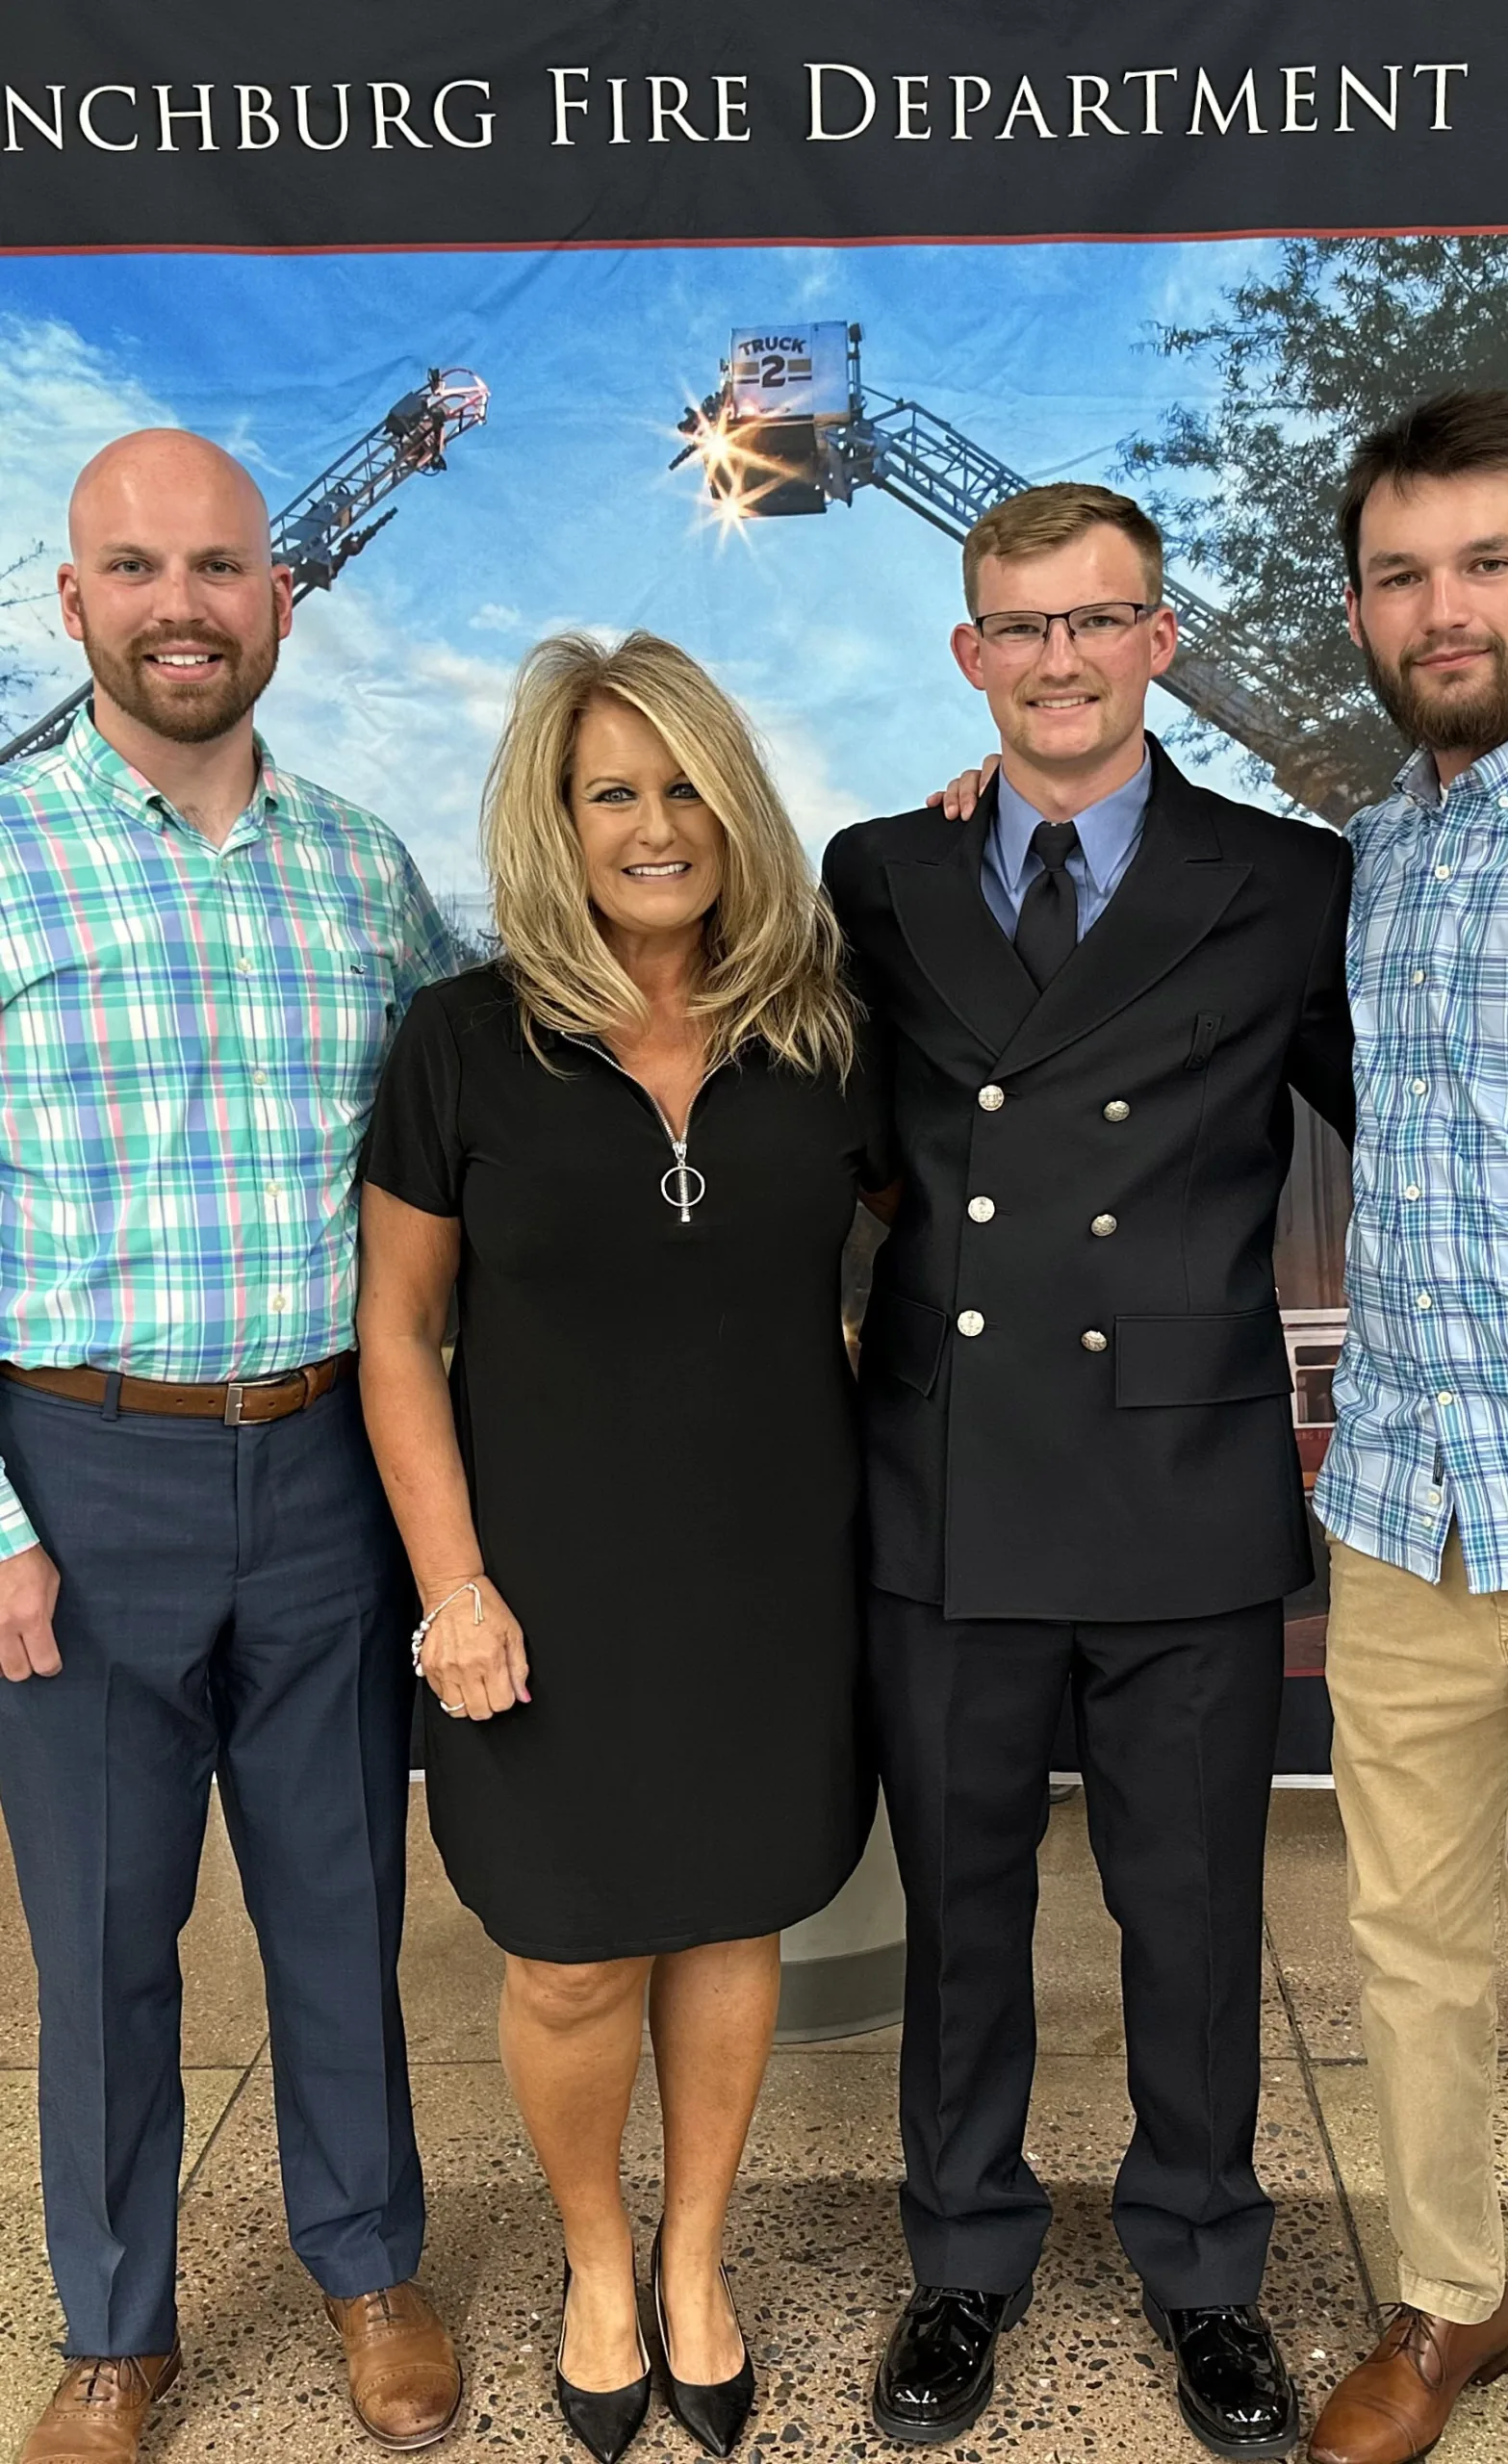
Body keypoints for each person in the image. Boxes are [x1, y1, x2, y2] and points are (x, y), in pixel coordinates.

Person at [824, 480, 1355, 2457]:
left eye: (1097, 618)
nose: (1058, 656)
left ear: (1158, 637)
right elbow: (833, 1136)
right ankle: (961, 2251)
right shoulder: (876, 873)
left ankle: (1205, 2264)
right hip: (950, 1475)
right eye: (1018, 625)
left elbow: (1414, 1121)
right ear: (971, 654)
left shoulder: (1289, 879)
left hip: (1184, 1476)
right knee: (962, 1908)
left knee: (1191, 1909)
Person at [356, 629, 889, 2464]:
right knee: (574, 1955)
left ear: (732, 809)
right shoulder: (461, 1043)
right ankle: (594, 2261)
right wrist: (453, 1587)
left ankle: (690, 2262)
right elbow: (397, 1334)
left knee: (729, 1914)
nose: (653, 825)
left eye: (681, 787)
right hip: (540, 1591)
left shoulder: (824, 1038)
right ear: (552, 819)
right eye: (610, 792)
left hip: (767, 1572)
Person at [0, 432, 462, 2464]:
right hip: (79, 1480)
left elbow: (484, 1139)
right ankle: (118, 2324)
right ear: (70, 604)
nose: (180, 601)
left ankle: (369, 2264)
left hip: (327, 1474)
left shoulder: (371, 871)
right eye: (136, 568)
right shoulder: (3, 858)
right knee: (101, 1937)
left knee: (337, 1906)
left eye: (218, 565)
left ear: (280, 598)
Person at [1305, 394, 1508, 2464]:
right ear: (1360, 604)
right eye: (1402, 572)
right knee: (1405, 1945)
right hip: (1402, 1509)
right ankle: (1451, 2299)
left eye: (1484, 562)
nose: (1443, 609)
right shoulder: (1369, 851)